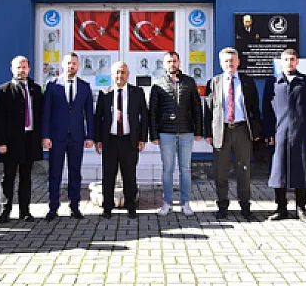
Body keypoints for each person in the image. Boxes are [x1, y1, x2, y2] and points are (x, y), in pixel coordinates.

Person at [204, 48, 261, 220]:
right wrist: (208, 133)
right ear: (221, 63)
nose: (230, 64)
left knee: (243, 170)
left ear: (238, 62)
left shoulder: (247, 82)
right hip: (221, 130)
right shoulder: (213, 82)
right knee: (221, 171)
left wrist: (256, 130)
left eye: (233, 60)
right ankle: (222, 206)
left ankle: (245, 206)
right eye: (226, 61)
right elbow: (208, 110)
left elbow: (254, 108)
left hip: (242, 130)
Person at [262, 49, 306, 223]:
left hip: (301, 132)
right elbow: (267, 110)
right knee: (279, 171)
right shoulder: (273, 82)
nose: (289, 62)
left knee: (301, 170)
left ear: (297, 61)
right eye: (286, 59)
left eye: (292, 59)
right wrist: (268, 132)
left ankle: (301, 208)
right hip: (280, 132)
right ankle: (281, 208)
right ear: (281, 61)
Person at [42, 52, 95, 220]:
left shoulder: (85, 86)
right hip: (56, 136)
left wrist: (90, 136)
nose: (71, 66)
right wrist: (45, 135)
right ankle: (53, 207)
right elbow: (46, 112)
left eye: (74, 63)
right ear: (63, 65)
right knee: (55, 172)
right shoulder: (52, 85)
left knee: (75, 172)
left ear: (78, 65)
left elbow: (89, 114)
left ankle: (75, 206)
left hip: (77, 137)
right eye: (68, 63)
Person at [149, 51, 203, 216]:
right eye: (169, 61)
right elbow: (153, 111)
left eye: (174, 61)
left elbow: (197, 108)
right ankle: (167, 203)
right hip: (166, 133)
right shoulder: (158, 84)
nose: (172, 64)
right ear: (164, 64)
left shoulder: (189, 82)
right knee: (168, 169)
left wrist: (199, 130)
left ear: (179, 63)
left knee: (185, 169)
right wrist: (154, 134)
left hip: (186, 132)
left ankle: (185, 203)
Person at [94, 61, 149, 219]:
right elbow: (98, 118)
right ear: (112, 75)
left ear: (128, 74)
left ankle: (131, 207)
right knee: (108, 176)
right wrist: (98, 139)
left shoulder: (137, 92)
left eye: (123, 72)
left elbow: (144, 117)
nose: (120, 75)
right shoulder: (104, 93)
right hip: (109, 140)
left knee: (129, 175)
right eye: (117, 72)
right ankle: (107, 208)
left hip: (129, 140)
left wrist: (142, 138)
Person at [0, 56, 43, 223]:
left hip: (30, 139)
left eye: (24, 67)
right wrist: (1, 142)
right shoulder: (3, 90)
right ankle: (5, 211)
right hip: (10, 142)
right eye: (18, 67)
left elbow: (40, 114)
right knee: (8, 177)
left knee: (26, 177)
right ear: (12, 69)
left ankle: (25, 210)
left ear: (29, 68)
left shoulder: (36, 89)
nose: (21, 70)